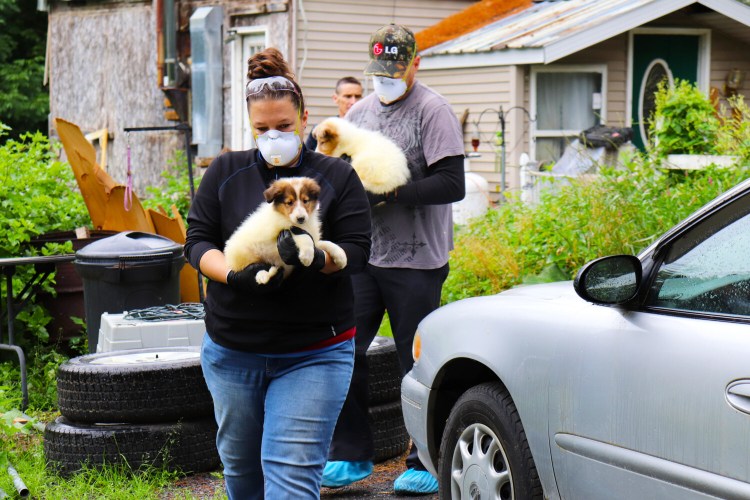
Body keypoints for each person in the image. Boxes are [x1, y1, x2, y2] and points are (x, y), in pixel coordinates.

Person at [184, 47, 372, 500]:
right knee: (243, 472)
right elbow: (197, 243)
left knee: (290, 478)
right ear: (249, 127)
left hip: (314, 351)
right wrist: (233, 276)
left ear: (304, 119)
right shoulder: (226, 172)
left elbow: (357, 251)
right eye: (262, 129)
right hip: (233, 350)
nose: (274, 137)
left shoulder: (336, 178)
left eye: (284, 127)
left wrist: (313, 255)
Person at [321, 24, 465, 495]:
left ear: (415, 64)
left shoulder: (432, 110)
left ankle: (423, 458)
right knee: (342, 350)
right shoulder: (359, 113)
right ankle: (351, 453)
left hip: (417, 259)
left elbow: (452, 184)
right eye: (379, 72)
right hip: (363, 256)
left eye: (396, 71)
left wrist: (391, 194)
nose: (387, 80)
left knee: (415, 361)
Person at [305, 76, 364, 151]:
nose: (353, 102)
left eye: (357, 96)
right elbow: (307, 159)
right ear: (335, 98)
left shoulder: (368, 128)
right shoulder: (323, 129)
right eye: (348, 96)